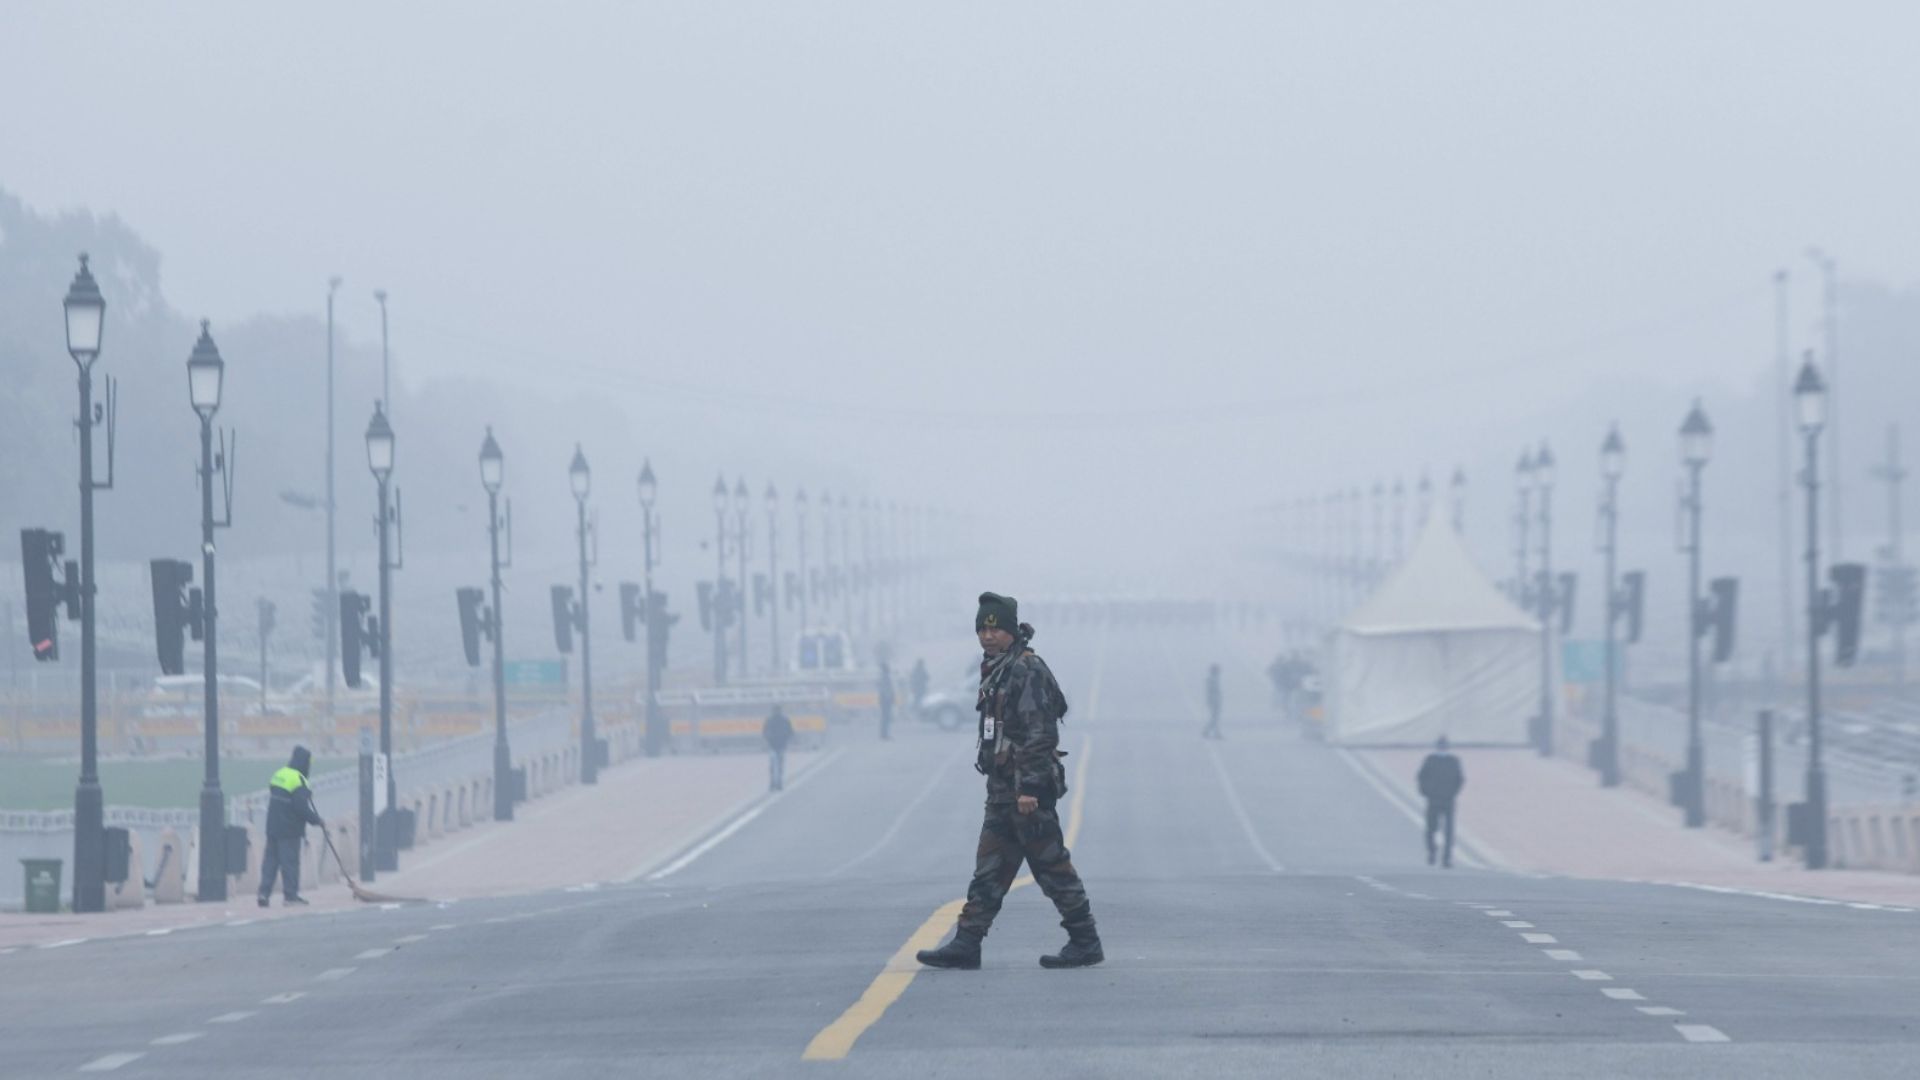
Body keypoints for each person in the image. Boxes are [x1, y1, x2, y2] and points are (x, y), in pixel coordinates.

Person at [917, 592, 1103, 971]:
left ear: (1011, 630)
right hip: (1003, 790)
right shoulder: (997, 667)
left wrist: (1030, 789)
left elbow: (1039, 733)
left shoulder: (1025, 670)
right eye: (982, 630)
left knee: (1052, 868)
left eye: (996, 629)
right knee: (989, 870)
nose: (987, 637)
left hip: (1025, 792)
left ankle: (1085, 940)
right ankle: (967, 943)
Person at [259, 745, 324, 907]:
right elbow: (300, 808)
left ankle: (263, 894)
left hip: (272, 827)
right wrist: (317, 820)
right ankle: (290, 896)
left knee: (270, 863)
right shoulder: (299, 780)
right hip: (289, 830)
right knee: (290, 864)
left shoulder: (279, 774)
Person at [1417, 736, 1466, 868]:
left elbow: (1460, 779)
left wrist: (1452, 793)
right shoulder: (1430, 760)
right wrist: (1426, 792)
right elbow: (1421, 777)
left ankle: (1447, 858)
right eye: (1440, 746)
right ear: (1437, 747)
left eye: (1444, 746)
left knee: (1449, 831)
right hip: (1433, 799)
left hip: (1448, 800)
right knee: (1431, 829)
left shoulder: (1454, 761)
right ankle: (1432, 851)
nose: (1442, 748)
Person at [763, 704, 793, 791]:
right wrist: (787, 740)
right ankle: (777, 783)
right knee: (778, 765)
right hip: (779, 745)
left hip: (774, 745)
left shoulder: (770, 720)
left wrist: (768, 739)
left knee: (775, 765)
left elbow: (765, 732)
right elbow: (790, 732)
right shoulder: (783, 720)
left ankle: (774, 783)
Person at [1201, 663, 1223, 739]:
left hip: (1215, 700)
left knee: (1215, 718)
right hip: (1214, 701)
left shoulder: (1213, 679)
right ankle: (1208, 731)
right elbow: (1211, 691)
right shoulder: (1212, 679)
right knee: (1214, 718)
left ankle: (1212, 732)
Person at [877, 661, 896, 740]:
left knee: (885, 717)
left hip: (884, 699)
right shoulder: (885, 677)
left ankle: (884, 734)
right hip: (886, 699)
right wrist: (891, 698)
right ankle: (884, 734)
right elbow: (886, 690)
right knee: (886, 717)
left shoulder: (883, 677)